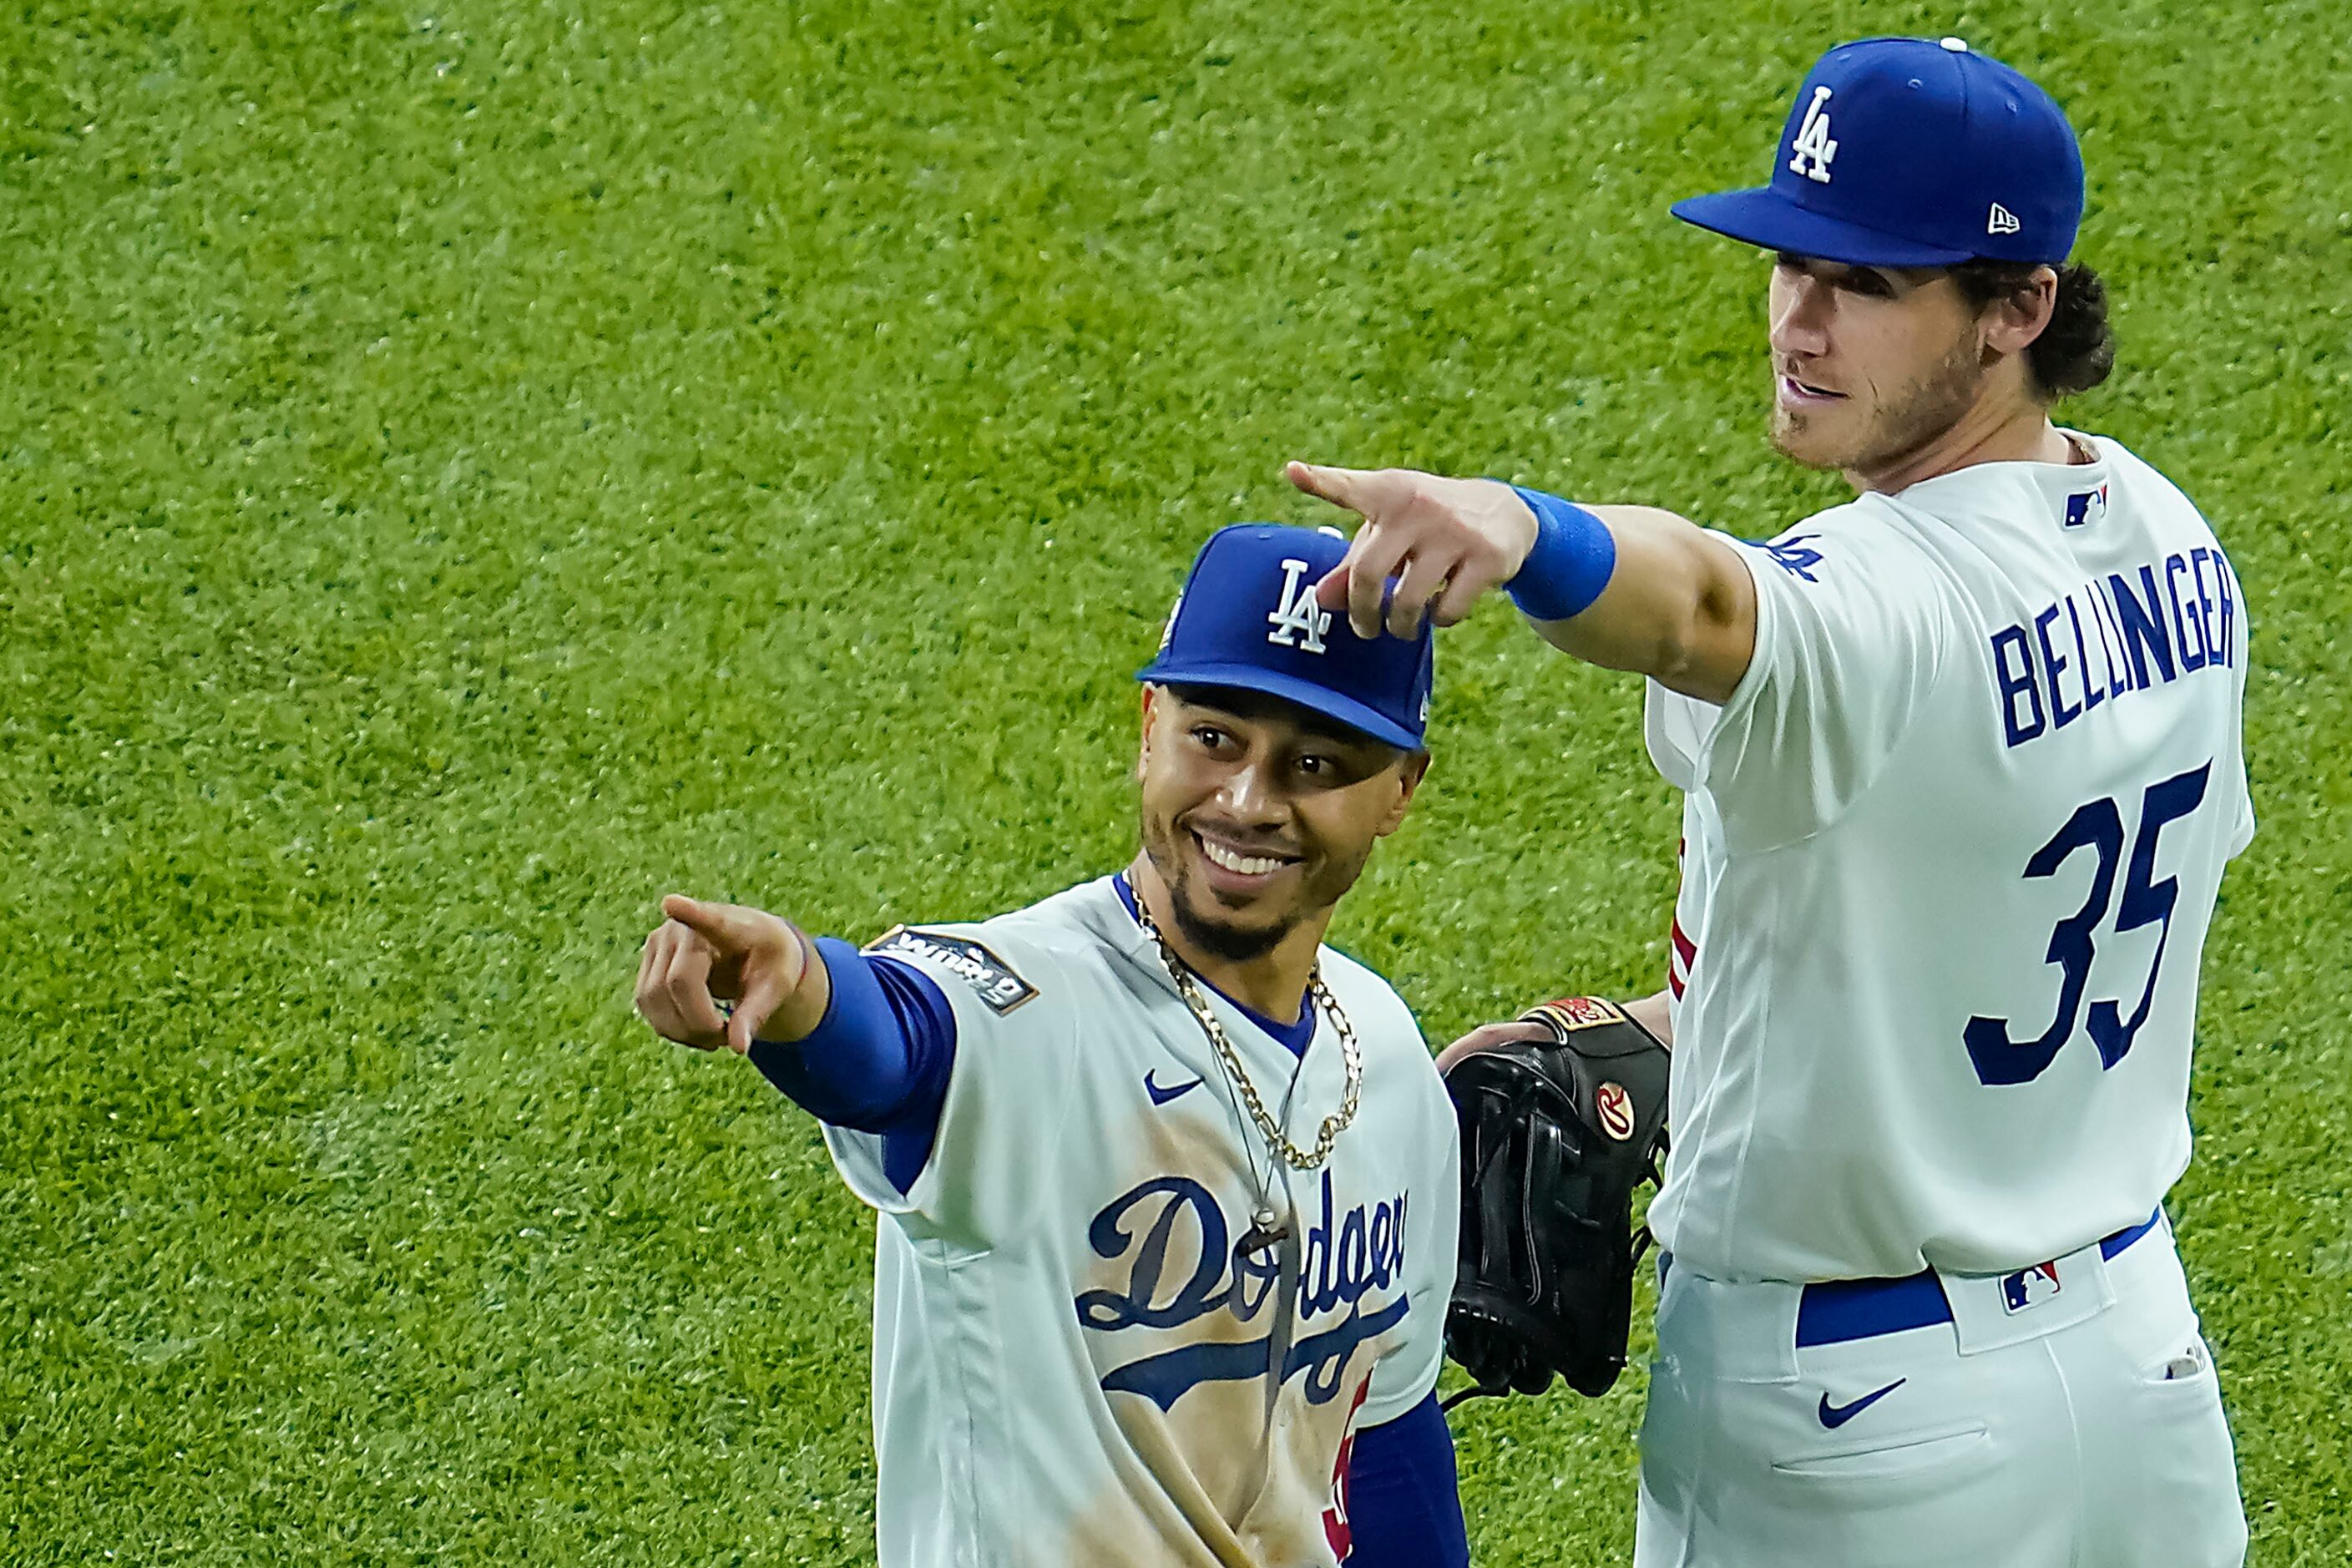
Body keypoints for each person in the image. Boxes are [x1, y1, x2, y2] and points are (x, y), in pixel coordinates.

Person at [1287, 36, 2253, 1568]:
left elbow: (1704, 608)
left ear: (2018, 309)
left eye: (1864, 286)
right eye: (1790, 265)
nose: (1798, 325)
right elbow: (1960, 916)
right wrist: (1684, 1046)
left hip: (1859, 1432)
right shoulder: (2171, 546)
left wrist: (1528, 531)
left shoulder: (1872, 595)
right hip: (2137, 1369)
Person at [633, 523, 1471, 1567]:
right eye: (1214, 738)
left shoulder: (1384, 1057)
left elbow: (1385, 1429)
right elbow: (898, 1043)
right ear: (1149, 726)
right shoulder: (1031, 1006)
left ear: (1399, 790)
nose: (1248, 802)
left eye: (1314, 762)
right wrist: (799, 983)